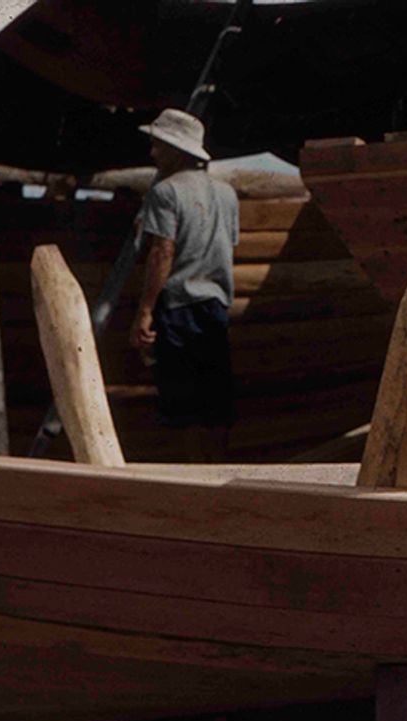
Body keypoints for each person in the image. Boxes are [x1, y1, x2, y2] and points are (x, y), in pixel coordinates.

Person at [129, 108, 239, 462]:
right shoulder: (226, 194)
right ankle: (217, 473)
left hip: (179, 306)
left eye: (158, 145)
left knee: (184, 405)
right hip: (215, 307)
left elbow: (163, 251)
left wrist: (145, 310)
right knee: (216, 403)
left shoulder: (165, 192)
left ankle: (194, 478)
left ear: (176, 149)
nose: (153, 153)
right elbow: (226, 246)